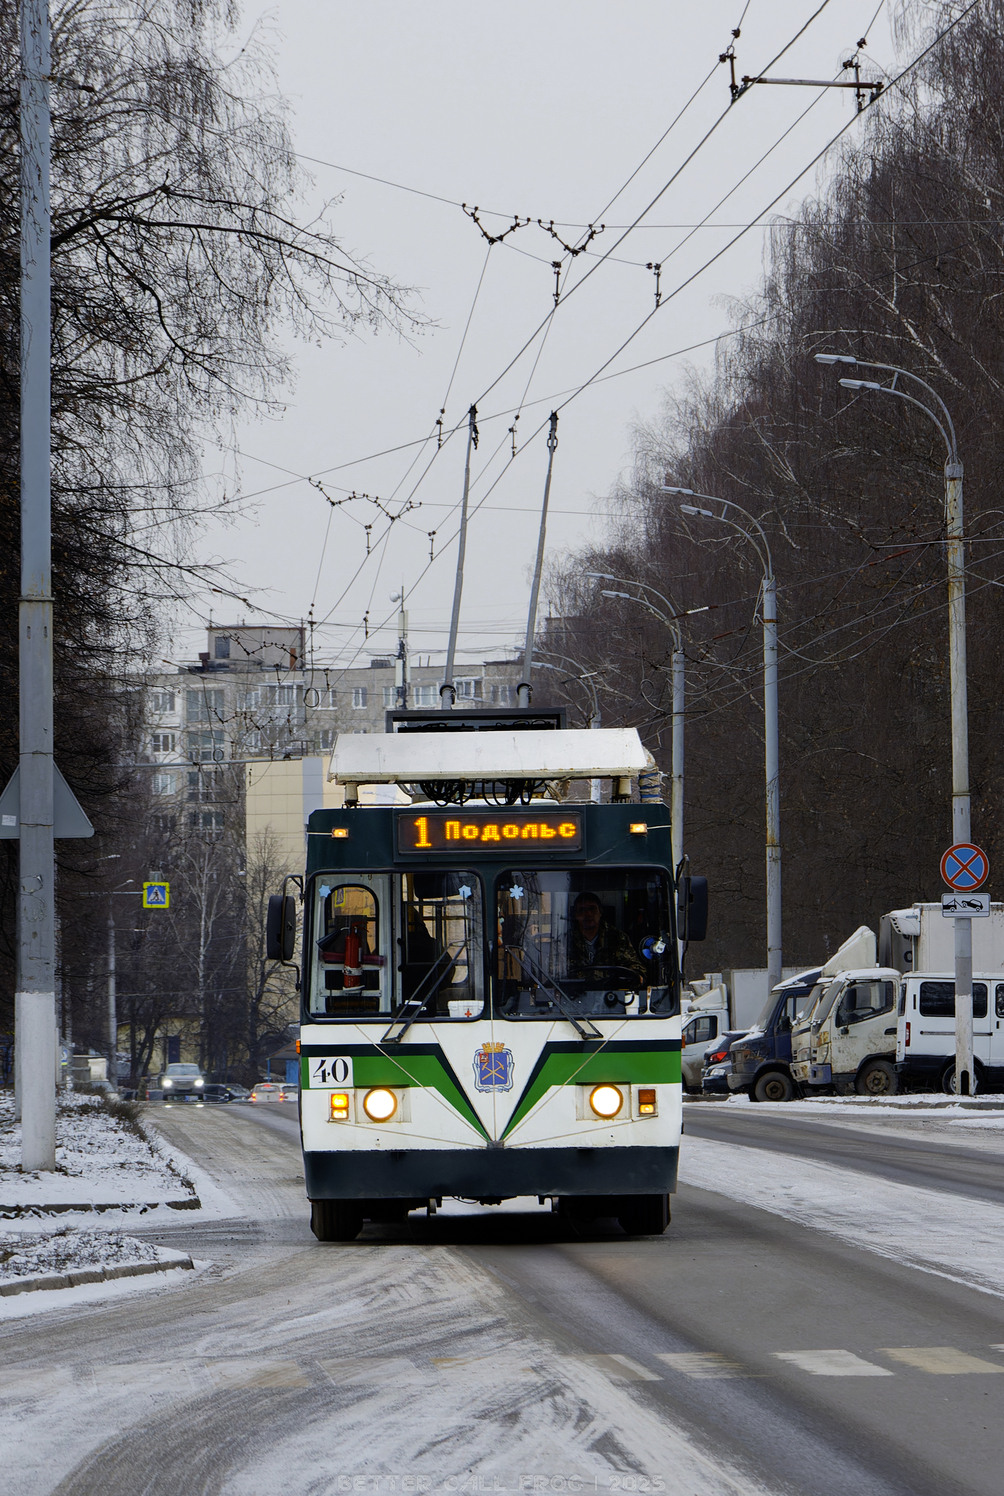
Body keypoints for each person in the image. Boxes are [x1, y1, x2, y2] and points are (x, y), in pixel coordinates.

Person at [567, 892, 645, 984]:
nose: (588, 914)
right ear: (576, 915)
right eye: (582, 910)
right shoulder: (566, 940)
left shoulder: (617, 938)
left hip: (610, 991)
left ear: (600, 912)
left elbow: (636, 970)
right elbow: (556, 973)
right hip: (573, 992)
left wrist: (633, 978)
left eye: (592, 909)